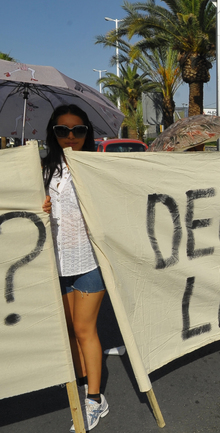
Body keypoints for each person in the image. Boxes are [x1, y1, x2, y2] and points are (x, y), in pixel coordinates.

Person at [41, 105, 109, 432]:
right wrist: (39, 205)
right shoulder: (42, 170)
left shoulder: (97, 167)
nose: (71, 136)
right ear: (53, 132)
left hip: (89, 261)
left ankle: (95, 399)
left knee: (84, 329)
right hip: (55, 262)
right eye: (62, 130)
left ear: (87, 132)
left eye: (78, 130)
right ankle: (82, 382)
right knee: (68, 330)